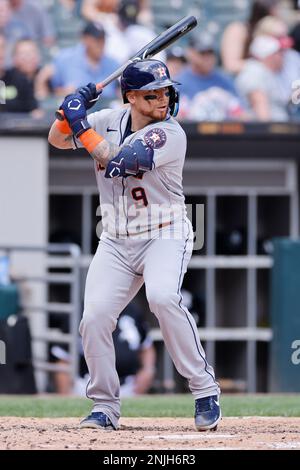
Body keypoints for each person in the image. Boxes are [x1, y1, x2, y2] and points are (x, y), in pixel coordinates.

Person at [48, 58, 221, 432]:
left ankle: (204, 388)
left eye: (165, 92)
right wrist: (68, 115)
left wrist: (79, 121)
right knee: (93, 318)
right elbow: (58, 140)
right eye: (151, 95)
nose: (162, 100)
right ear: (130, 97)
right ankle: (105, 407)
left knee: (162, 297)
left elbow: (118, 162)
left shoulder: (170, 134)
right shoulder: (107, 118)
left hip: (165, 232)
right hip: (115, 238)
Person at [51, 303, 156, 397]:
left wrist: (147, 370)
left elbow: (146, 346)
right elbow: (63, 359)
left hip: (128, 386)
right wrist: (66, 395)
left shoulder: (133, 310)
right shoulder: (82, 311)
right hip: (86, 387)